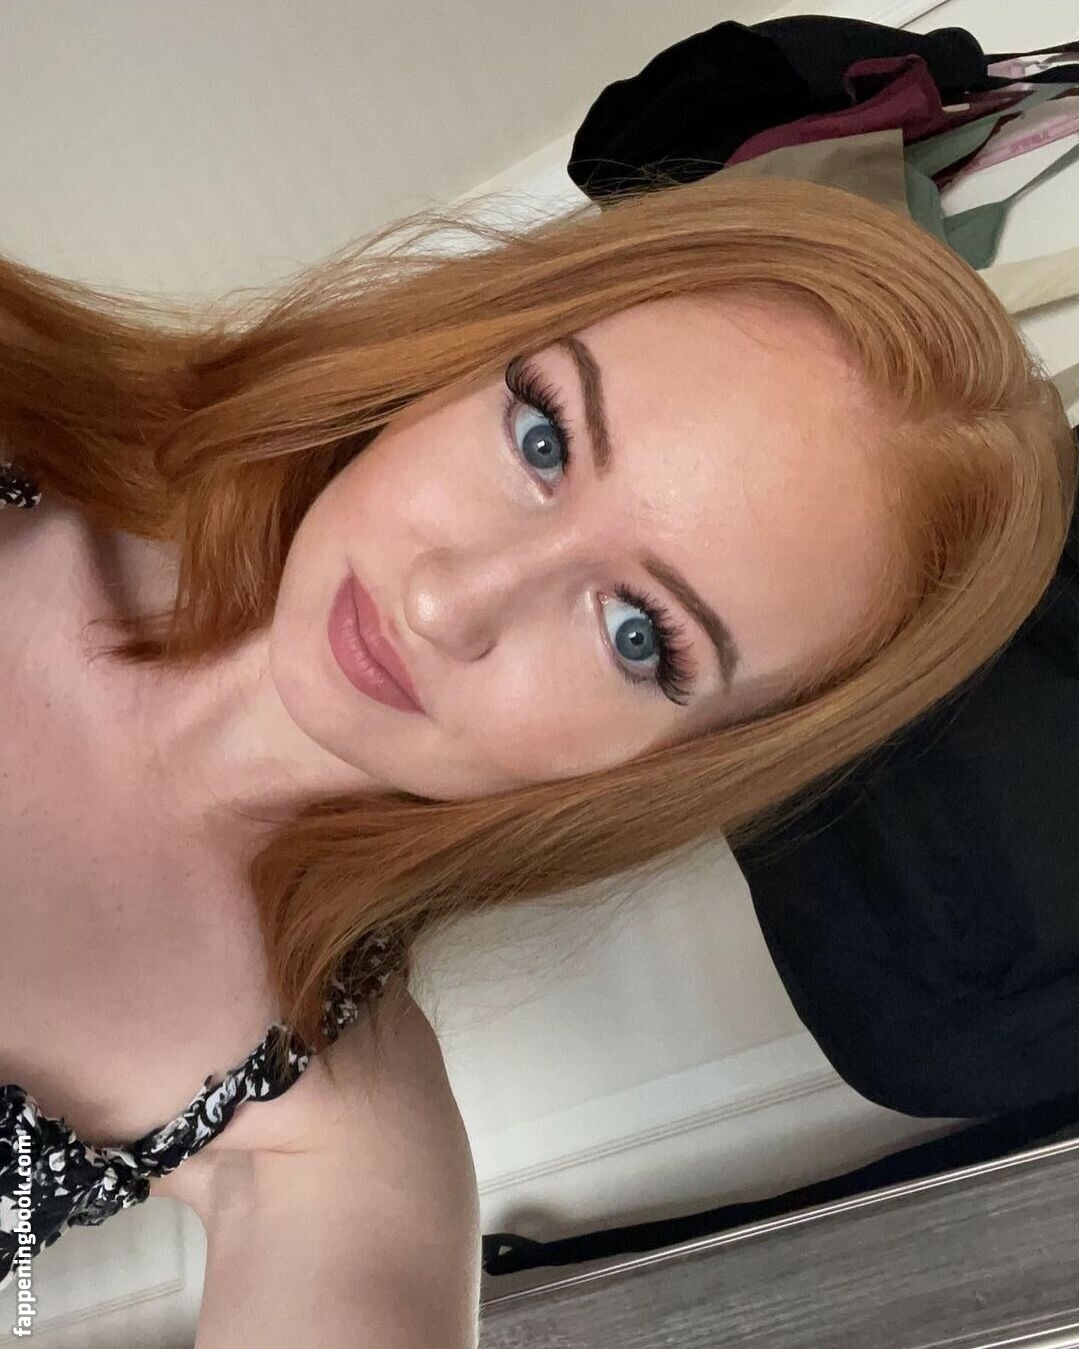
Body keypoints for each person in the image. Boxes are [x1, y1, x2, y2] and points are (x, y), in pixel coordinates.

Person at [0, 174, 1074, 1347]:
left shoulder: (329, 1151)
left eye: (636, 633)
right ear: (472, 346)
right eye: (541, 436)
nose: (445, 600)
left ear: (678, 761)